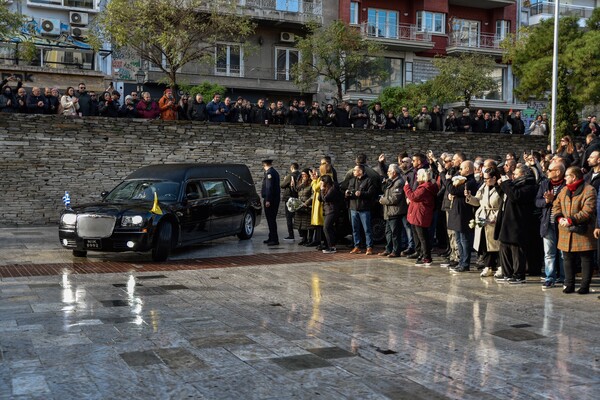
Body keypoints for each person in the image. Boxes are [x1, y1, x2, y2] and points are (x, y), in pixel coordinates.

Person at [554, 166, 597, 294]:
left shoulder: (589, 190)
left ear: (573, 177)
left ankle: (584, 286)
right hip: (565, 230)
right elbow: (556, 205)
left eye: (567, 175)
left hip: (583, 230)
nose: (564, 178)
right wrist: (560, 218)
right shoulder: (564, 190)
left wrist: (571, 220)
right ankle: (569, 284)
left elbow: (588, 210)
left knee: (586, 258)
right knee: (567, 258)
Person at [496, 165, 538, 283]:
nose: (513, 176)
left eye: (516, 174)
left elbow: (516, 196)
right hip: (508, 221)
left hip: (519, 222)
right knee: (504, 247)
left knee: (517, 250)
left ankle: (518, 274)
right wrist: (499, 185)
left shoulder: (530, 186)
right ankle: (507, 273)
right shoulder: (514, 184)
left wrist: (506, 183)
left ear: (523, 174)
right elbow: (506, 195)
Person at [466, 167, 503, 277]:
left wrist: (496, 217)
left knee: (496, 244)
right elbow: (477, 201)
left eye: (487, 179)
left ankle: (500, 267)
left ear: (494, 178)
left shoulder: (501, 188)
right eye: (484, 179)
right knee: (484, 243)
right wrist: (469, 197)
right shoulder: (483, 186)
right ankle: (488, 266)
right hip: (482, 216)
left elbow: (503, 204)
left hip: (494, 217)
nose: (485, 181)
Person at [536, 160, 566, 289]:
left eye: (550, 170)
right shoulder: (544, 184)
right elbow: (537, 202)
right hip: (547, 223)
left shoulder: (566, 185)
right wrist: (547, 201)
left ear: (558, 172)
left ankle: (564, 277)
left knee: (563, 254)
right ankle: (550, 278)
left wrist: (554, 200)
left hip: (562, 224)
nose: (547, 172)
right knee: (549, 253)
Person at [445, 160, 478, 272]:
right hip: (457, 211)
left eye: (462, 168)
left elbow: (454, 190)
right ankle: (461, 261)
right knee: (458, 239)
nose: (460, 171)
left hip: (464, 213)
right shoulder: (463, 180)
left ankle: (465, 263)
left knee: (464, 239)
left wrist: (448, 180)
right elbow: (453, 192)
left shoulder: (470, 181)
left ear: (468, 169)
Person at [404, 168, 437, 266]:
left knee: (423, 237)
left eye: (418, 175)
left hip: (420, 215)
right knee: (417, 236)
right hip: (416, 214)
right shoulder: (422, 187)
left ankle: (426, 257)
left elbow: (413, 196)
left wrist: (406, 187)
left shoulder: (424, 188)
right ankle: (420, 253)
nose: (416, 177)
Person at [346, 164, 376, 255]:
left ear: (360, 171)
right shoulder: (352, 180)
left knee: (367, 229)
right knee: (355, 229)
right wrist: (347, 193)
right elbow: (349, 190)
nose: (353, 171)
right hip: (353, 208)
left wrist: (361, 193)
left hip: (364, 208)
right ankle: (357, 246)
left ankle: (369, 247)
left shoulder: (369, 180)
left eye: (355, 170)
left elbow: (371, 193)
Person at [378, 164, 404, 258]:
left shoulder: (399, 182)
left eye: (389, 171)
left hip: (395, 211)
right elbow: (384, 191)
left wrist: (383, 200)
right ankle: (388, 249)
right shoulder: (391, 181)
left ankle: (396, 251)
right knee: (388, 232)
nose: (388, 173)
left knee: (395, 233)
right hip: (388, 211)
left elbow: (395, 198)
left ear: (394, 172)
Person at [319, 175, 342, 254]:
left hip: (332, 211)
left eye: (322, 181)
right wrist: (321, 190)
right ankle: (331, 245)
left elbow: (326, 198)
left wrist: (322, 190)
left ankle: (331, 246)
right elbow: (320, 199)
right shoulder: (326, 189)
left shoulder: (333, 188)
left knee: (326, 227)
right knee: (329, 228)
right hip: (327, 211)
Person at [261, 159, 280, 246]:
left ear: (265, 165)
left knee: (271, 219)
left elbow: (269, 187)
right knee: (271, 219)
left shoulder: (269, 173)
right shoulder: (274, 172)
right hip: (274, 199)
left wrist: (268, 200)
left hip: (271, 200)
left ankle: (274, 239)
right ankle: (271, 237)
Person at [292, 168, 313, 245]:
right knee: (301, 224)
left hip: (307, 206)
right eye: (302, 175)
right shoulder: (300, 183)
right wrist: (293, 186)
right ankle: (304, 238)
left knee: (308, 224)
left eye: (305, 175)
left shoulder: (311, 183)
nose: (303, 176)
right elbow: (296, 191)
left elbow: (312, 195)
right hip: (300, 205)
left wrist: (307, 203)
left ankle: (310, 239)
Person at [280, 162, 300, 241]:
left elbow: (282, 185)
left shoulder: (290, 176)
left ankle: (291, 235)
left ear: (291, 168)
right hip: (297, 197)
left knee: (289, 217)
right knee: (298, 216)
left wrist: (285, 180)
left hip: (289, 198)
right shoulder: (300, 175)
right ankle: (301, 234)